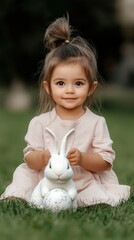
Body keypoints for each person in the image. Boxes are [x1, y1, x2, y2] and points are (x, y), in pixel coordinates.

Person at [1, 16, 130, 207]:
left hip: (81, 180)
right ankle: (19, 196)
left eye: (78, 83)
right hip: (45, 178)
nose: (69, 90)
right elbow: (29, 159)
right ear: (48, 87)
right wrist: (43, 157)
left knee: (95, 193)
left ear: (91, 88)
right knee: (25, 176)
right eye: (60, 83)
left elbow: (105, 161)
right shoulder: (40, 122)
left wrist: (84, 158)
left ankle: (90, 201)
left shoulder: (96, 122)